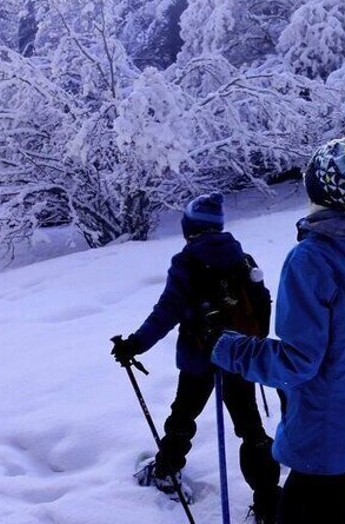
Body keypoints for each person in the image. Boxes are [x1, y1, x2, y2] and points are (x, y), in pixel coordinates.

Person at [204, 133, 345, 523]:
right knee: (333, 508)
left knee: (305, 510)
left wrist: (225, 345)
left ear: (318, 188)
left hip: (320, 431)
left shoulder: (310, 259)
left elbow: (298, 363)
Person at [111, 192, 280, 524]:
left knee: (182, 417)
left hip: (198, 359)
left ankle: (166, 471)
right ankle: (269, 502)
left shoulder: (186, 262)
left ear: (190, 228)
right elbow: (261, 303)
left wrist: (135, 344)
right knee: (250, 428)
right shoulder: (241, 257)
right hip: (240, 356)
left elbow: (166, 312)